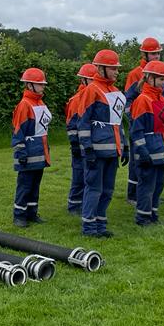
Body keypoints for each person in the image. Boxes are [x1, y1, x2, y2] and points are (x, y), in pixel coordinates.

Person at [77, 49, 127, 238]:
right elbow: (83, 122)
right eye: (113, 68)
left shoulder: (115, 91)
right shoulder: (92, 90)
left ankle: (100, 224)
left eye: (117, 68)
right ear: (101, 68)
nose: (116, 72)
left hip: (113, 150)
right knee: (94, 189)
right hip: (96, 151)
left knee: (107, 190)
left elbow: (118, 122)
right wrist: (87, 147)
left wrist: (125, 145)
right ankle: (89, 227)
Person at [129, 60, 164, 226]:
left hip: (160, 148)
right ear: (149, 78)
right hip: (148, 149)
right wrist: (142, 150)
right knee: (147, 185)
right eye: (161, 79)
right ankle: (142, 217)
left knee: (159, 184)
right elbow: (136, 130)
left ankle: (153, 215)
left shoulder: (162, 99)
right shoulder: (143, 100)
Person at [123, 37, 164, 205]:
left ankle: (150, 194)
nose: (156, 57)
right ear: (144, 54)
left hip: (155, 125)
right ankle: (133, 195)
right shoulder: (135, 74)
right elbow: (127, 101)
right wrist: (135, 118)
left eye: (158, 54)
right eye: (153, 54)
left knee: (154, 160)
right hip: (139, 123)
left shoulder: (160, 72)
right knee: (136, 160)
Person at [11, 67, 51, 227]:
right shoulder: (24, 105)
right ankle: (19, 216)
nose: (43, 87)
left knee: (35, 185)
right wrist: (21, 151)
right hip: (28, 152)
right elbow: (18, 131)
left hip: (40, 151)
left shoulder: (39, 102)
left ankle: (32, 213)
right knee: (24, 186)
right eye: (39, 84)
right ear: (29, 85)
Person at [65, 62, 97, 214]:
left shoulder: (94, 95)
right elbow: (71, 126)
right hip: (79, 144)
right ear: (83, 80)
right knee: (79, 175)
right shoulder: (77, 100)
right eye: (92, 80)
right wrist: (75, 145)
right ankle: (74, 206)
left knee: (88, 176)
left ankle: (84, 203)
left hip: (90, 142)